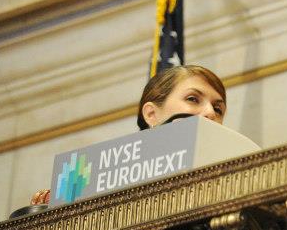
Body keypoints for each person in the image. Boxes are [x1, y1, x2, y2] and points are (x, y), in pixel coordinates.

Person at [29, 64, 227, 205]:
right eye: (193, 99)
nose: (210, 112)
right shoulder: (97, 172)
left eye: (218, 109)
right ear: (151, 114)